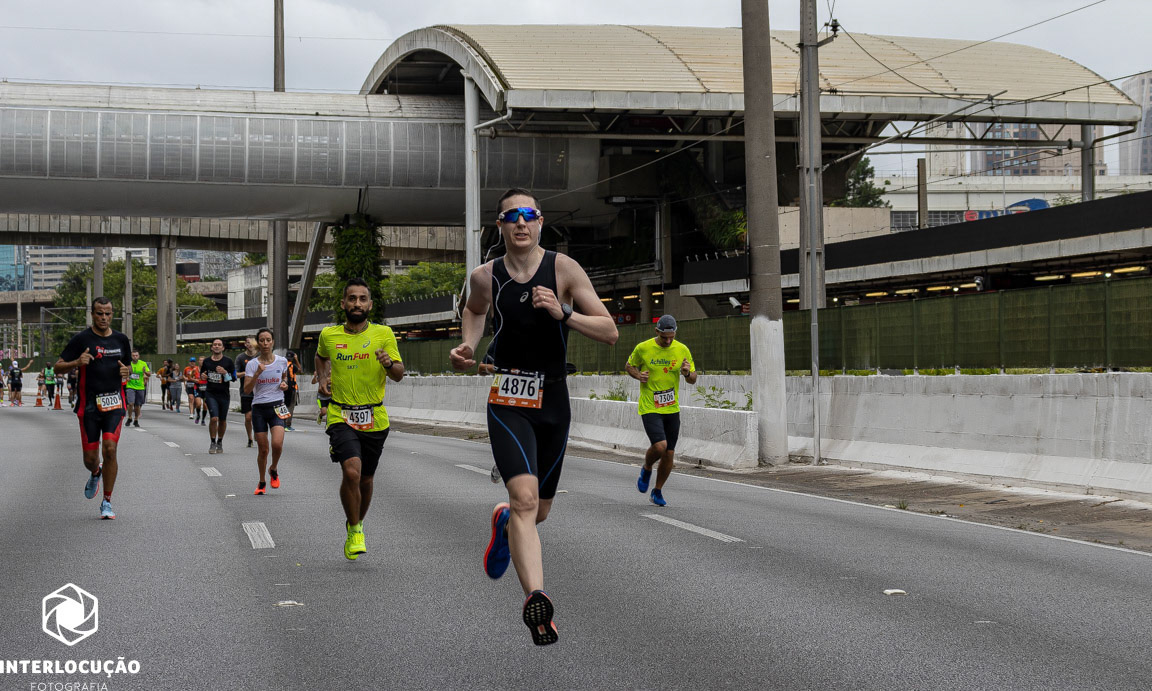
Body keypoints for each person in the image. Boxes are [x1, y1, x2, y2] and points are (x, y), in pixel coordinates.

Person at [450, 188, 618, 646]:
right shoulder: (485, 276)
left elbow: (609, 331)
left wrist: (563, 312)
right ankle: (536, 600)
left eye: (528, 215)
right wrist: (467, 346)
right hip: (507, 394)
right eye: (511, 216)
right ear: (500, 225)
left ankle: (505, 525)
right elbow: (474, 310)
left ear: (540, 222)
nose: (521, 223)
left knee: (537, 511)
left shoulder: (563, 269)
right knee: (525, 498)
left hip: (554, 399)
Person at [315, 278, 405, 561]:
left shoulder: (384, 334)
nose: (357, 303)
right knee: (351, 471)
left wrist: (388, 363)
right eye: (351, 298)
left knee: (366, 479)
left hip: (374, 416)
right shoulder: (329, 335)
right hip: (340, 413)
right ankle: (355, 529)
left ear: (370, 304)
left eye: (362, 299)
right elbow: (320, 357)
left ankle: (356, 521)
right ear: (343, 303)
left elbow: (399, 374)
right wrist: (321, 379)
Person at [55, 297, 132, 520]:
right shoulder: (81, 339)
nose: (104, 318)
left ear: (112, 314)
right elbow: (59, 366)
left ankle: (106, 502)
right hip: (88, 406)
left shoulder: (120, 340)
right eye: (100, 313)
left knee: (109, 449)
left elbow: (128, 367)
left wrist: (127, 372)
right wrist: (77, 363)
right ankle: (95, 472)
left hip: (115, 403)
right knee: (90, 459)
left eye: (108, 313)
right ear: (92, 314)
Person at [625, 314, 697, 507]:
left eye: (671, 337)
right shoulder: (643, 348)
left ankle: (657, 491)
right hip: (650, 405)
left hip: (671, 407)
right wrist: (638, 375)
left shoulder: (682, 350)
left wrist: (687, 373)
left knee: (669, 454)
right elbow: (629, 366)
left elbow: (693, 379)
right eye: (664, 337)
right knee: (660, 446)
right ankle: (647, 467)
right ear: (657, 331)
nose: (668, 341)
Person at [243, 329, 289, 495]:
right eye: (261, 340)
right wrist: (257, 374)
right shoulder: (252, 364)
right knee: (263, 449)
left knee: (277, 444)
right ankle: (262, 481)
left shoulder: (282, 361)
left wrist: (284, 384)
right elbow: (247, 390)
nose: (265, 344)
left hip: (277, 406)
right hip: (259, 409)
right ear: (258, 343)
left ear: (273, 342)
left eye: (268, 340)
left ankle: (273, 468)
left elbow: (284, 378)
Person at [201, 338, 235, 454]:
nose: (216, 346)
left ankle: (220, 441)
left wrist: (225, 373)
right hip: (211, 393)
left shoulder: (228, 361)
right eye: (214, 345)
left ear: (223, 348)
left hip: (224, 394)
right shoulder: (206, 361)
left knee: (222, 420)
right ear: (211, 347)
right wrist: (203, 377)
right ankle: (212, 441)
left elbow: (233, 378)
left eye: (219, 345)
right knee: (214, 418)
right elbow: (203, 374)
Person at [234, 337, 258, 448]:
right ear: (245, 344)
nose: (250, 344)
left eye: (252, 342)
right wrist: (248, 372)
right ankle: (250, 438)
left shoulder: (260, 356)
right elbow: (236, 374)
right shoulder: (240, 358)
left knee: (258, 415)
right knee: (248, 417)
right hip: (246, 391)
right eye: (248, 342)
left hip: (260, 391)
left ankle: (258, 432)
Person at [125, 349, 151, 427]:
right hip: (130, 386)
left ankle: (136, 419)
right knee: (130, 403)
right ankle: (129, 417)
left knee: (138, 405)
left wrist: (145, 372)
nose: (135, 357)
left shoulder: (143, 364)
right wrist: (126, 377)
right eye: (133, 355)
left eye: (136, 355)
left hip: (140, 387)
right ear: (131, 356)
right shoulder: (128, 364)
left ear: (139, 356)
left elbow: (149, 374)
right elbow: (123, 373)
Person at [283, 351, 301, 431]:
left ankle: (281, 424)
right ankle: (287, 425)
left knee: (283, 406)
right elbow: (300, 370)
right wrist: (296, 359)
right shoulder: (293, 366)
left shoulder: (282, 365)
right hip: (292, 388)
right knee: (290, 406)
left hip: (283, 388)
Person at [183, 356, 200, 421]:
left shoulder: (197, 368)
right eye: (191, 362)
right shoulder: (186, 369)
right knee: (191, 398)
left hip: (196, 385)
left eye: (193, 362)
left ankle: (193, 409)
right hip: (189, 385)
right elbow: (184, 375)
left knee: (196, 401)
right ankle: (191, 413)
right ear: (189, 362)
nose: (192, 363)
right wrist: (185, 378)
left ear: (195, 363)